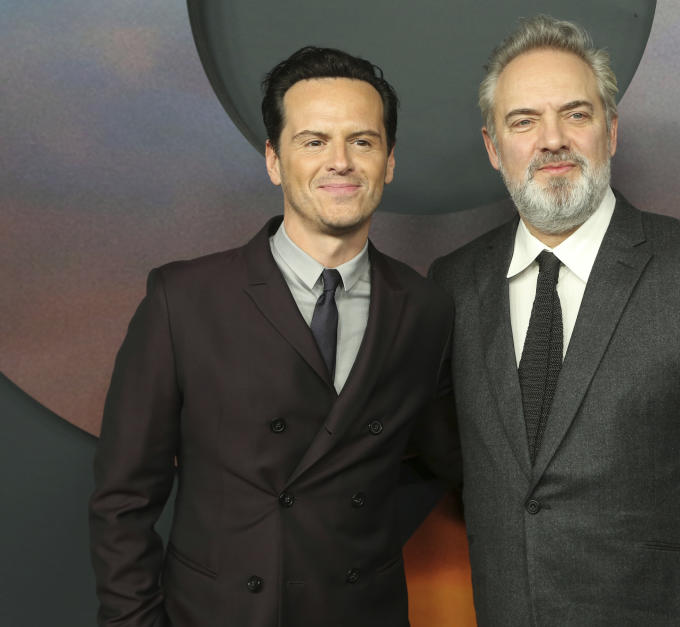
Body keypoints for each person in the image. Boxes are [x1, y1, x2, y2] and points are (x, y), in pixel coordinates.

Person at [429, 16, 680, 626]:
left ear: (610, 131)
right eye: (523, 120)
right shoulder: (453, 285)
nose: (552, 139)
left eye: (575, 114)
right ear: (493, 147)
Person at [89, 46, 459, 627]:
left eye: (362, 141)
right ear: (273, 160)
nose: (340, 161)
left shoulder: (426, 308)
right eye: (313, 141)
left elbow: (447, 459)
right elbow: (123, 500)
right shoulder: (182, 299)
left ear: (388, 161)